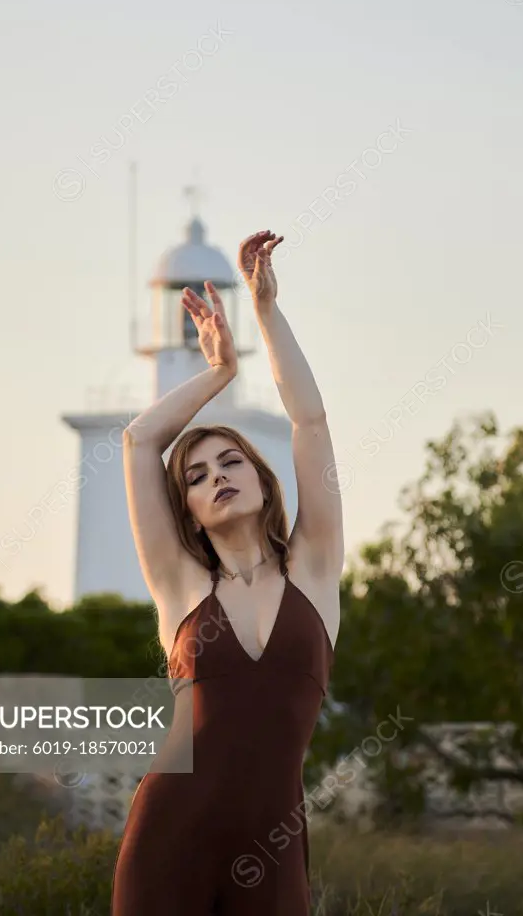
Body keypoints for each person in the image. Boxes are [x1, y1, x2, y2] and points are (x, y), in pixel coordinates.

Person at [111, 230, 344, 915]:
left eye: (231, 462)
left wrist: (265, 316)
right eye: (197, 476)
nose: (217, 478)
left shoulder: (315, 571)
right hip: (168, 836)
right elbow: (139, 441)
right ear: (185, 509)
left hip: (272, 849)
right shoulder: (180, 587)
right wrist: (218, 376)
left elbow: (311, 422)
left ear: (264, 480)